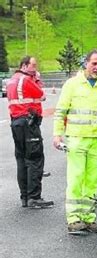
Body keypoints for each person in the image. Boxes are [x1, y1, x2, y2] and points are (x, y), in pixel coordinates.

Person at [53, 50, 97, 234]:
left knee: (93, 181)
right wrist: (57, 134)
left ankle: (88, 217)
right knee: (76, 178)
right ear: (86, 63)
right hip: (77, 138)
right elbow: (61, 111)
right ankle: (74, 219)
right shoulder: (73, 84)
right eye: (94, 63)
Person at [7, 56, 54, 208]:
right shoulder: (27, 80)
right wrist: (37, 79)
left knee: (21, 160)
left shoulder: (12, 80)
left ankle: (25, 197)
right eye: (33, 65)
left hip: (16, 123)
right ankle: (34, 197)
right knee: (34, 159)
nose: (35, 68)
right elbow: (42, 95)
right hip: (29, 123)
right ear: (24, 66)